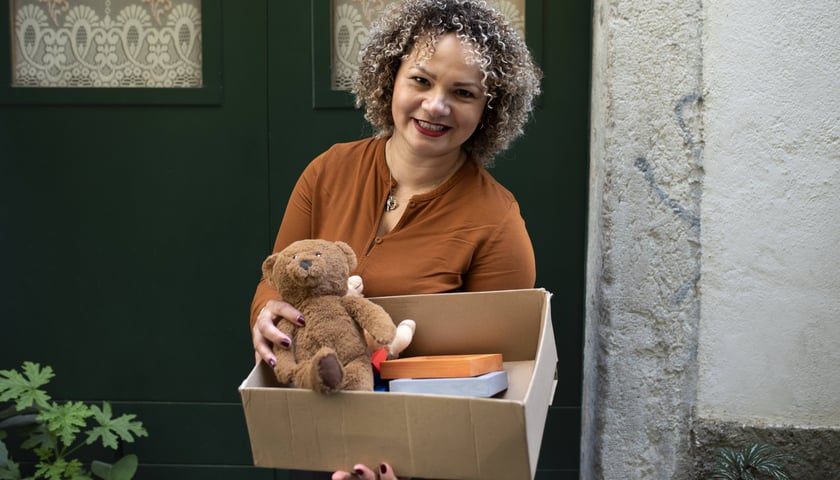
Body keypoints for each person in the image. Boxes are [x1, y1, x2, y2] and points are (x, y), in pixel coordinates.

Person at [249, 0, 542, 478]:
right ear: (391, 77)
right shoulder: (327, 171)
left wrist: (415, 461)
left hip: (425, 455)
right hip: (320, 430)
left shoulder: (497, 220)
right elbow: (275, 284)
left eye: (463, 92)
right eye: (421, 80)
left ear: (490, 108)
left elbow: (498, 377)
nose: (436, 106)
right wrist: (266, 316)